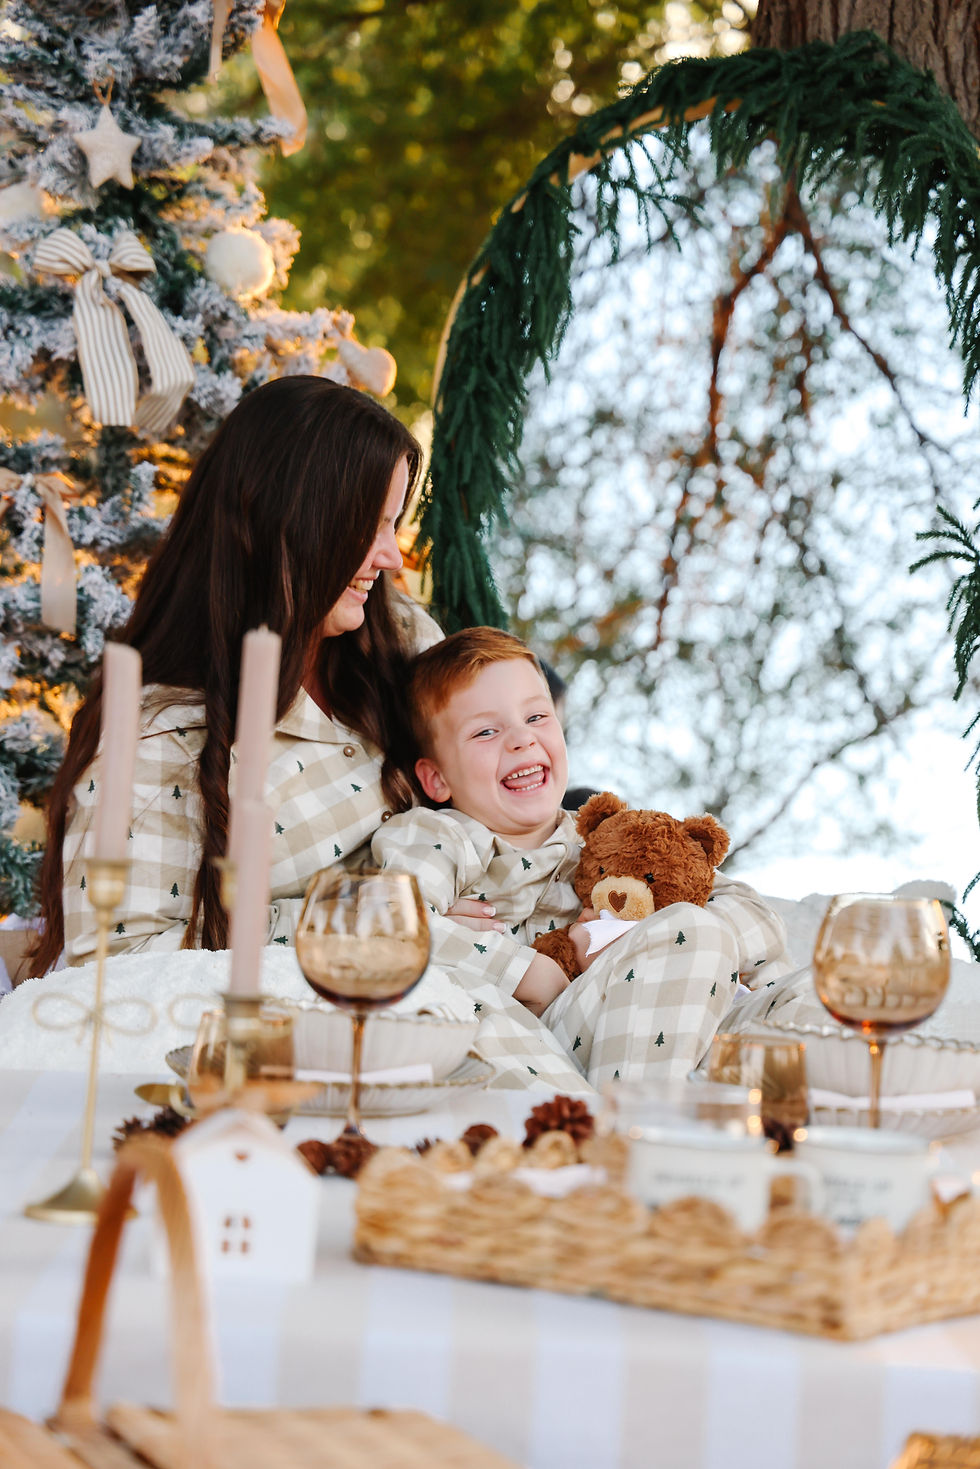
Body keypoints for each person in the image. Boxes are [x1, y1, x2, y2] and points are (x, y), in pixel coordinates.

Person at [31, 375, 446, 974]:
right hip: (305, 1036)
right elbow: (121, 965)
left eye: (394, 524)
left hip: (496, 973)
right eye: (370, 525)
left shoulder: (401, 639)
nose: (392, 556)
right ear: (291, 522)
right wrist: (369, 919)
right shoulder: (159, 737)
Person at [372, 627, 793, 1088]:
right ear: (435, 780)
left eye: (536, 717)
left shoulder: (605, 834)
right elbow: (387, 925)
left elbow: (755, 916)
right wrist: (530, 973)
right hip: (547, 1039)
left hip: (668, 1023)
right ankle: (631, 1128)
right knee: (690, 931)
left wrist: (633, 938)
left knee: (811, 994)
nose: (521, 740)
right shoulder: (440, 835)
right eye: (486, 731)